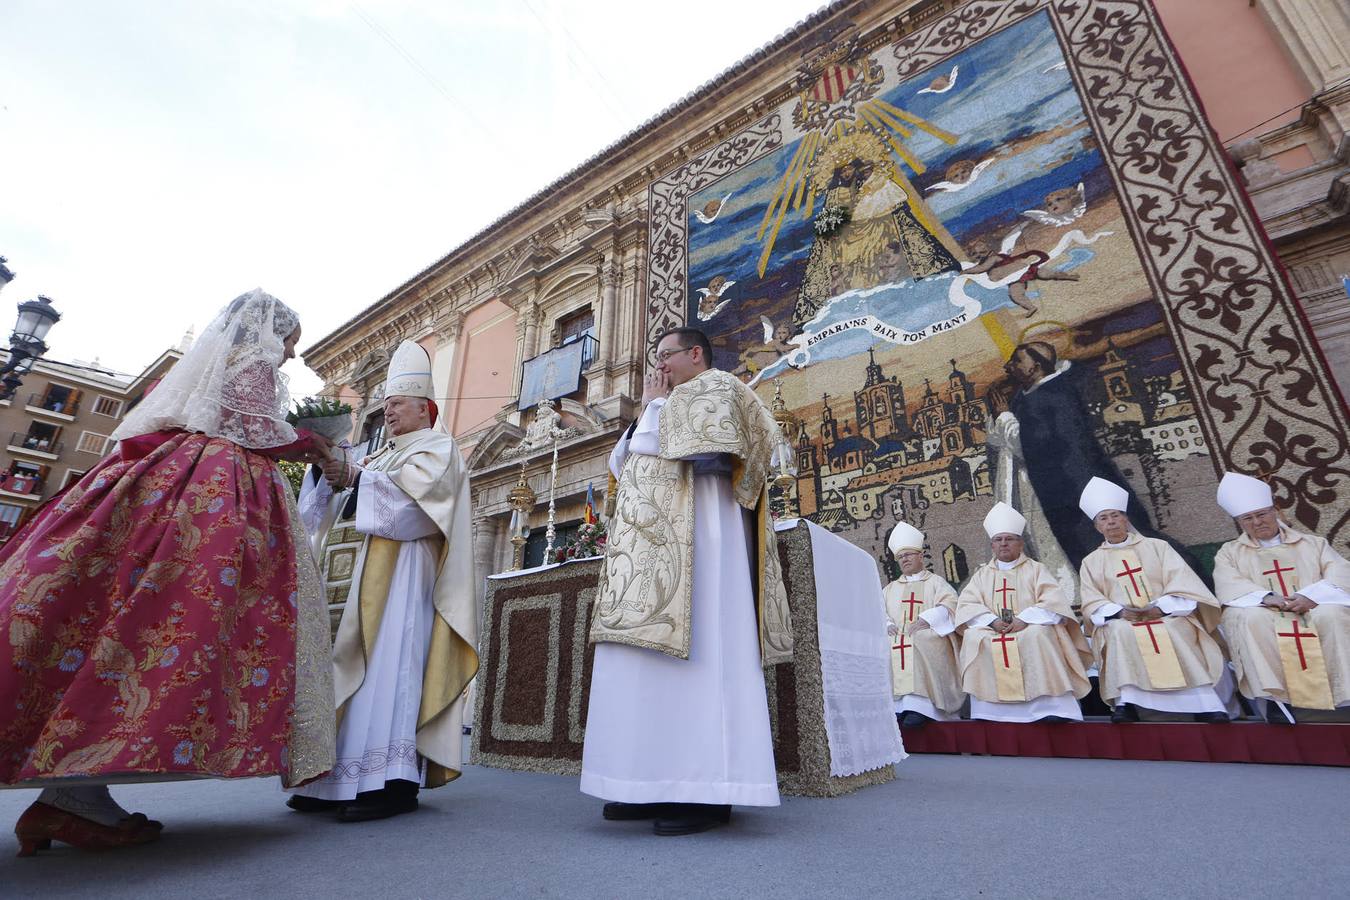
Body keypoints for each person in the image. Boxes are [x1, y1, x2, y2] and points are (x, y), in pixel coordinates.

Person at [0, 289, 335, 855]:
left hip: (169, 489)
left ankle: (71, 799)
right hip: (215, 501)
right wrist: (318, 445)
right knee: (174, 629)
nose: (291, 357)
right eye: (290, 343)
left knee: (111, 625)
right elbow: (255, 427)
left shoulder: (199, 379)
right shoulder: (250, 365)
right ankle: (73, 797)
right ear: (267, 335)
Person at [583, 326, 792, 836]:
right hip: (651, 555)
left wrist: (652, 407)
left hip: (702, 544)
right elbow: (625, 462)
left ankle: (707, 790)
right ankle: (647, 781)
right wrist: (649, 409)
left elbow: (687, 449)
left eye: (666, 357)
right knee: (643, 670)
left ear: (696, 354)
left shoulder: (720, 388)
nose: (658, 369)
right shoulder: (664, 402)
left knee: (703, 662)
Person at [288, 340, 478, 821]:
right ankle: (329, 782)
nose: (389, 412)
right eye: (386, 405)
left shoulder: (438, 447)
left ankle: (389, 782)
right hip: (349, 581)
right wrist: (325, 475)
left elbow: (419, 510)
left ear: (425, 408)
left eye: (398, 404)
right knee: (341, 668)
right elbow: (321, 517)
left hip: (400, 583)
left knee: (389, 670)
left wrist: (355, 477)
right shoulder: (377, 457)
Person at [1076, 477, 1229, 723]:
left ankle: (1205, 702)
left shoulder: (1159, 548)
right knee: (1118, 632)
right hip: (1123, 620)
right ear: (1097, 527)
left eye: (1115, 515)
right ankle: (1128, 703)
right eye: (1103, 518)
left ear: (1126, 519)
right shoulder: (1091, 562)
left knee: (1176, 629)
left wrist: (1162, 608)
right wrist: (1119, 612)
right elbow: (1091, 601)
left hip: (1166, 615)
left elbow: (1184, 584)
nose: (1111, 522)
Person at [1212, 472, 1350, 723]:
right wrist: (1265, 597)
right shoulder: (1229, 552)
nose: (1257, 522)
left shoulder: (1312, 544)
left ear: (1274, 511)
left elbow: (1340, 573)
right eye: (1248, 518)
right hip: (1265, 610)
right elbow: (1227, 583)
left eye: (1262, 514)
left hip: (1313, 607)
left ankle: (1345, 694)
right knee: (1249, 619)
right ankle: (1278, 701)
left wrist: (1311, 597)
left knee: (1333, 614)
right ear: (1240, 522)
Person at [955, 502, 1091, 723]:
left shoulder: (1036, 570)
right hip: (996, 630)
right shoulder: (981, 576)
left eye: (1009, 539)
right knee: (973, 637)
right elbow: (967, 605)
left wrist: (1024, 620)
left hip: (1029, 628)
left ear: (1020, 543)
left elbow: (1054, 603)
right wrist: (992, 622)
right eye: (998, 540)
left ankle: (1049, 707)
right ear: (992, 546)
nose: (1003, 544)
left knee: (1039, 635)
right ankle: (990, 711)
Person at [882, 521, 963, 728]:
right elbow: (877, 611)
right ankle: (898, 708)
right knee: (888, 644)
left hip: (928, 634)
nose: (905, 559)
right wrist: (887, 624)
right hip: (898, 636)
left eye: (908, 554)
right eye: (900, 557)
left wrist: (927, 619)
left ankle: (921, 707)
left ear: (920, 555)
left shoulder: (936, 582)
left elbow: (951, 605)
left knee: (918, 639)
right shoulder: (890, 589)